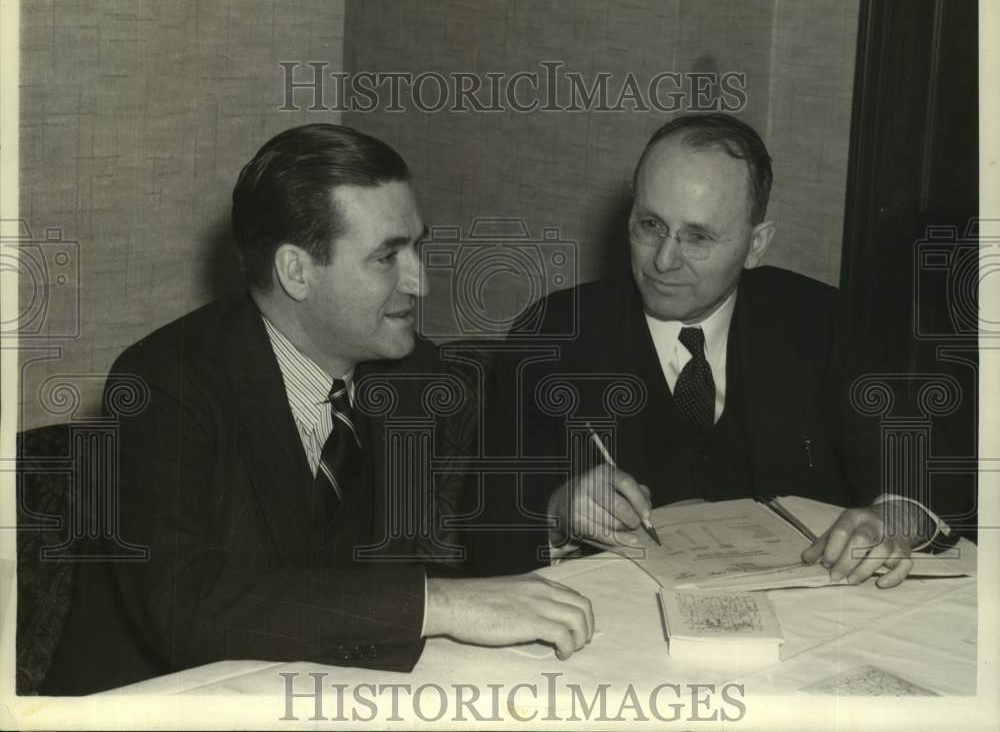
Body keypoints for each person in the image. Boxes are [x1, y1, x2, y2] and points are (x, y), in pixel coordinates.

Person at [42, 124, 593, 695]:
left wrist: (558, 512)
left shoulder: (411, 374)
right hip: (156, 702)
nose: (421, 282)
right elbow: (188, 610)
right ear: (296, 272)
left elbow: (470, 526)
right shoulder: (163, 385)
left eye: (418, 246)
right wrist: (438, 603)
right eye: (387, 257)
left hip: (316, 690)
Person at [470, 113, 956, 586]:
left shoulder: (821, 322)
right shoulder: (553, 335)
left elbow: (923, 473)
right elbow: (482, 533)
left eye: (697, 237)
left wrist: (895, 517)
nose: (662, 261)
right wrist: (559, 513)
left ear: (756, 245)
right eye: (650, 226)